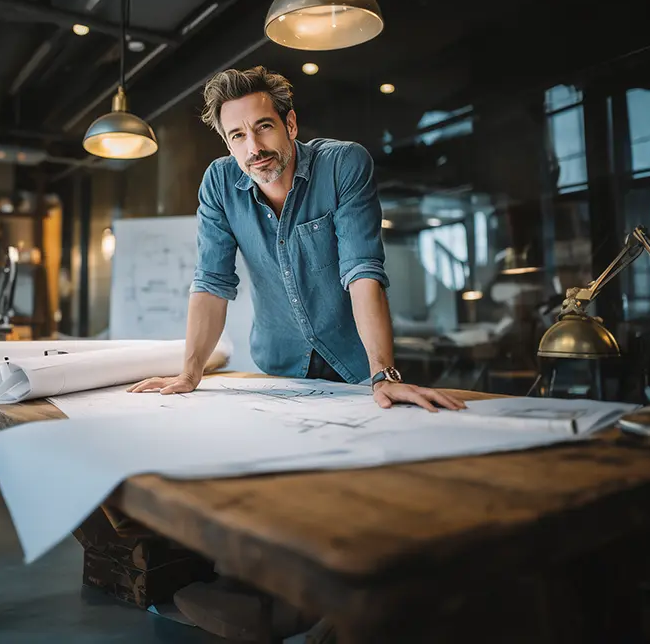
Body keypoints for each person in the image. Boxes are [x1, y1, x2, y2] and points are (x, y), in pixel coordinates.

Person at [132, 66, 464, 412]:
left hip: (357, 367)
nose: (254, 148)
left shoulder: (342, 165)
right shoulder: (219, 184)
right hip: (278, 371)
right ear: (227, 144)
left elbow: (362, 270)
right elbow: (211, 282)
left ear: (290, 124)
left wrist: (384, 374)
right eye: (238, 136)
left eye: (263, 127)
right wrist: (189, 373)